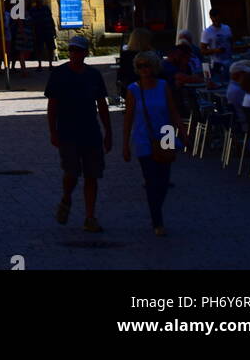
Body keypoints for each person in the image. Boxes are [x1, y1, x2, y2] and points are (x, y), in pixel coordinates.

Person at [45, 35, 112, 233]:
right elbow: (52, 106)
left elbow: (102, 104)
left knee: (92, 175)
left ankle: (90, 217)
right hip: (67, 132)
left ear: (85, 53)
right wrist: (52, 131)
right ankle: (66, 198)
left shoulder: (94, 75)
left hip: (91, 131)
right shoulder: (59, 74)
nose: (74, 53)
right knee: (72, 173)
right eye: (72, 49)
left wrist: (109, 132)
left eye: (78, 50)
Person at [123, 50, 186, 236]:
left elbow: (173, 111)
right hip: (144, 138)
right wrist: (125, 145)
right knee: (151, 181)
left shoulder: (163, 85)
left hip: (166, 134)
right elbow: (128, 119)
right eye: (140, 66)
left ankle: (156, 209)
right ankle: (157, 220)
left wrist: (183, 133)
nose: (144, 69)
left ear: (154, 67)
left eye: (147, 65)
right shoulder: (133, 90)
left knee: (164, 180)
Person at [200, 9, 233, 79]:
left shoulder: (227, 28)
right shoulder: (207, 32)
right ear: (211, 18)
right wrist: (215, 50)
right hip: (216, 63)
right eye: (214, 18)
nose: (217, 20)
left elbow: (231, 43)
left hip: (230, 61)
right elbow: (202, 51)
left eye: (218, 17)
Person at [118, 28, 152, 93]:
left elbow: (122, 75)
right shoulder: (149, 55)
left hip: (130, 88)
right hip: (143, 87)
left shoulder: (126, 55)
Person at [30, 0, 57, 70]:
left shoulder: (46, 8)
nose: (39, 1)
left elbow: (51, 19)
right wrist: (33, 32)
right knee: (39, 49)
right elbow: (32, 22)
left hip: (48, 30)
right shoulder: (33, 10)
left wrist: (53, 29)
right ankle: (39, 65)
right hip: (38, 31)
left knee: (50, 48)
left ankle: (50, 65)